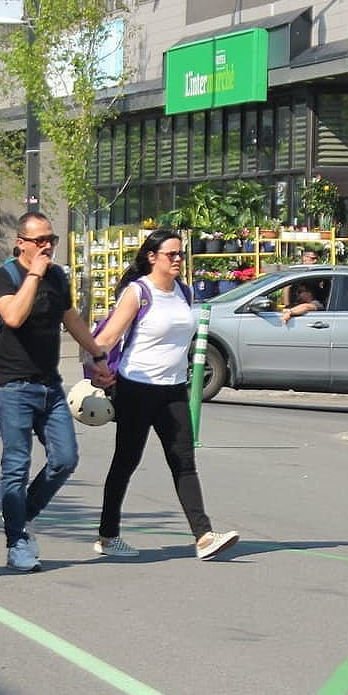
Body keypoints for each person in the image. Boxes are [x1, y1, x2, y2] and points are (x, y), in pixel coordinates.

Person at [87, 228, 237, 562]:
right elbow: (109, 336)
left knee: (184, 461)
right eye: (172, 254)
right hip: (136, 388)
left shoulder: (184, 292)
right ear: (152, 257)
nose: (178, 259)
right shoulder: (138, 293)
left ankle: (203, 536)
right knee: (126, 462)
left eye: (181, 253)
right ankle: (108, 535)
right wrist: (95, 364)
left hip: (173, 390)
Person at [0, 210, 114, 572]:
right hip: (12, 385)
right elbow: (13, 316)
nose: (47, 247)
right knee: (16, 464)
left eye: (51, 240)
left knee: (65, 458)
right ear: (20, 243)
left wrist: (97, 355)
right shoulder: (5, 277)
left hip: (49, 384)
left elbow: (69, 317)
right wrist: (34, 274)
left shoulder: (57, 276)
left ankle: (20, 518)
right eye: (39, 240)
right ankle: (17, 542)